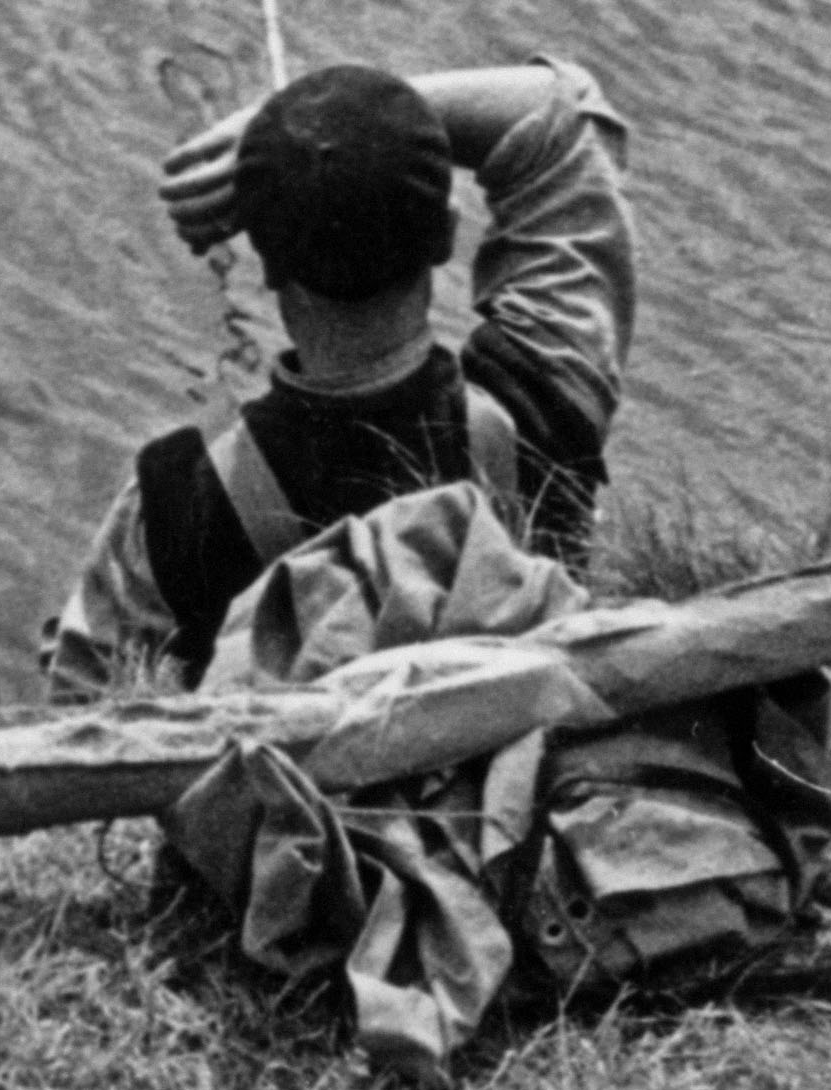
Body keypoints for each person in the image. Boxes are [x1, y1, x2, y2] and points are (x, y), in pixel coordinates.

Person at [41, 54, 636, 698]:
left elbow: (80, 710)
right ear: (444, 236)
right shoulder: (546, 396)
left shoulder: (173, 505)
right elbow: (563, 116)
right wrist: (343, 122)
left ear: (266, 267)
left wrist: (287, 138)